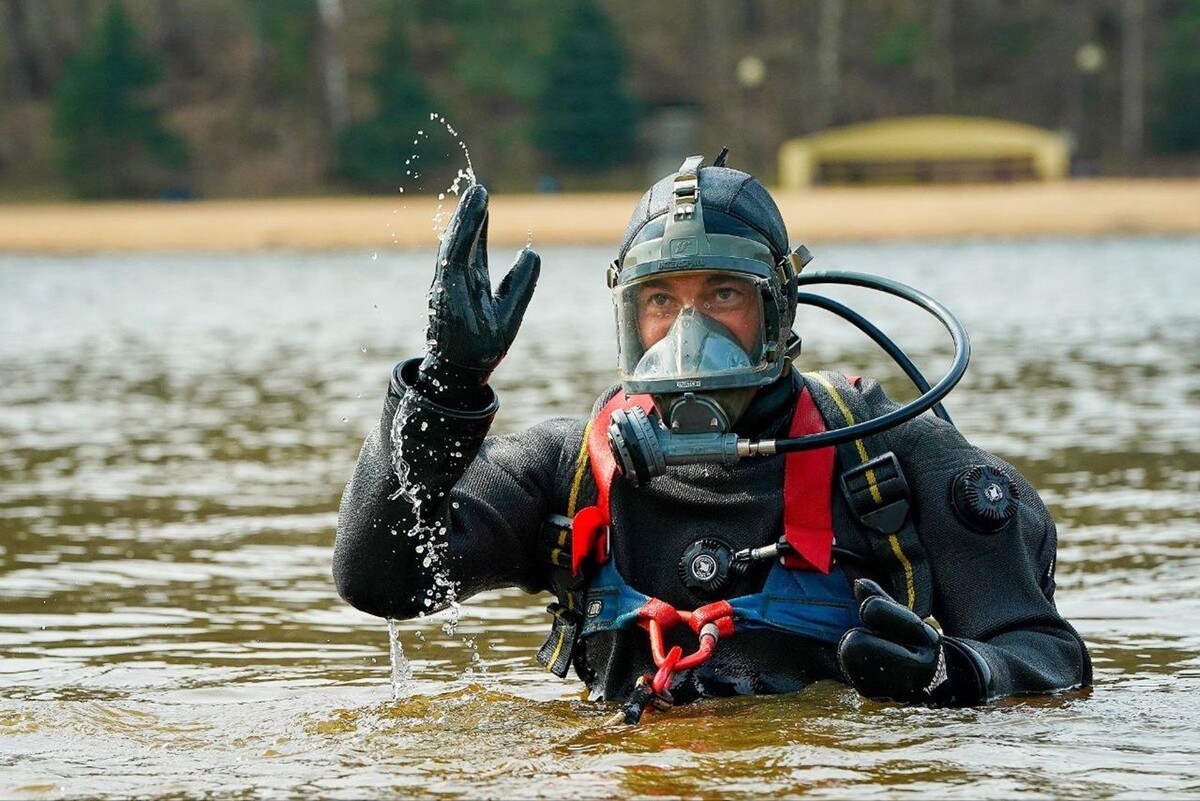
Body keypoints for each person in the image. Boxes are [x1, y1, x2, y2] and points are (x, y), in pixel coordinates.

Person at [333, 154, 1091, 723]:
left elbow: (1050, 658)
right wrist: (444, 393)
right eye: (661, 299)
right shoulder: (573, 473)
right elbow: (379, 577)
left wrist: (950, 674)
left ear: (779, 309)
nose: (687, 331)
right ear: (629, 318)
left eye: (722, 294)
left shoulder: (886, 454)